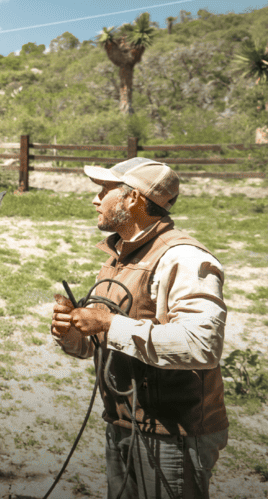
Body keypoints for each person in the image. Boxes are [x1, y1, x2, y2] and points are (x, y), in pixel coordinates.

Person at [50, 157, 227, 498]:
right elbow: (98, 343)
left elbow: (202, 344)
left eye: (104, 190)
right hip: (122, 423)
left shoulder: (183, 257)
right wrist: (72, 333)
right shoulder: (119, 258)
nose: (95, 199)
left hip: (174, 432)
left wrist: (108, 322)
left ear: (133, 198)